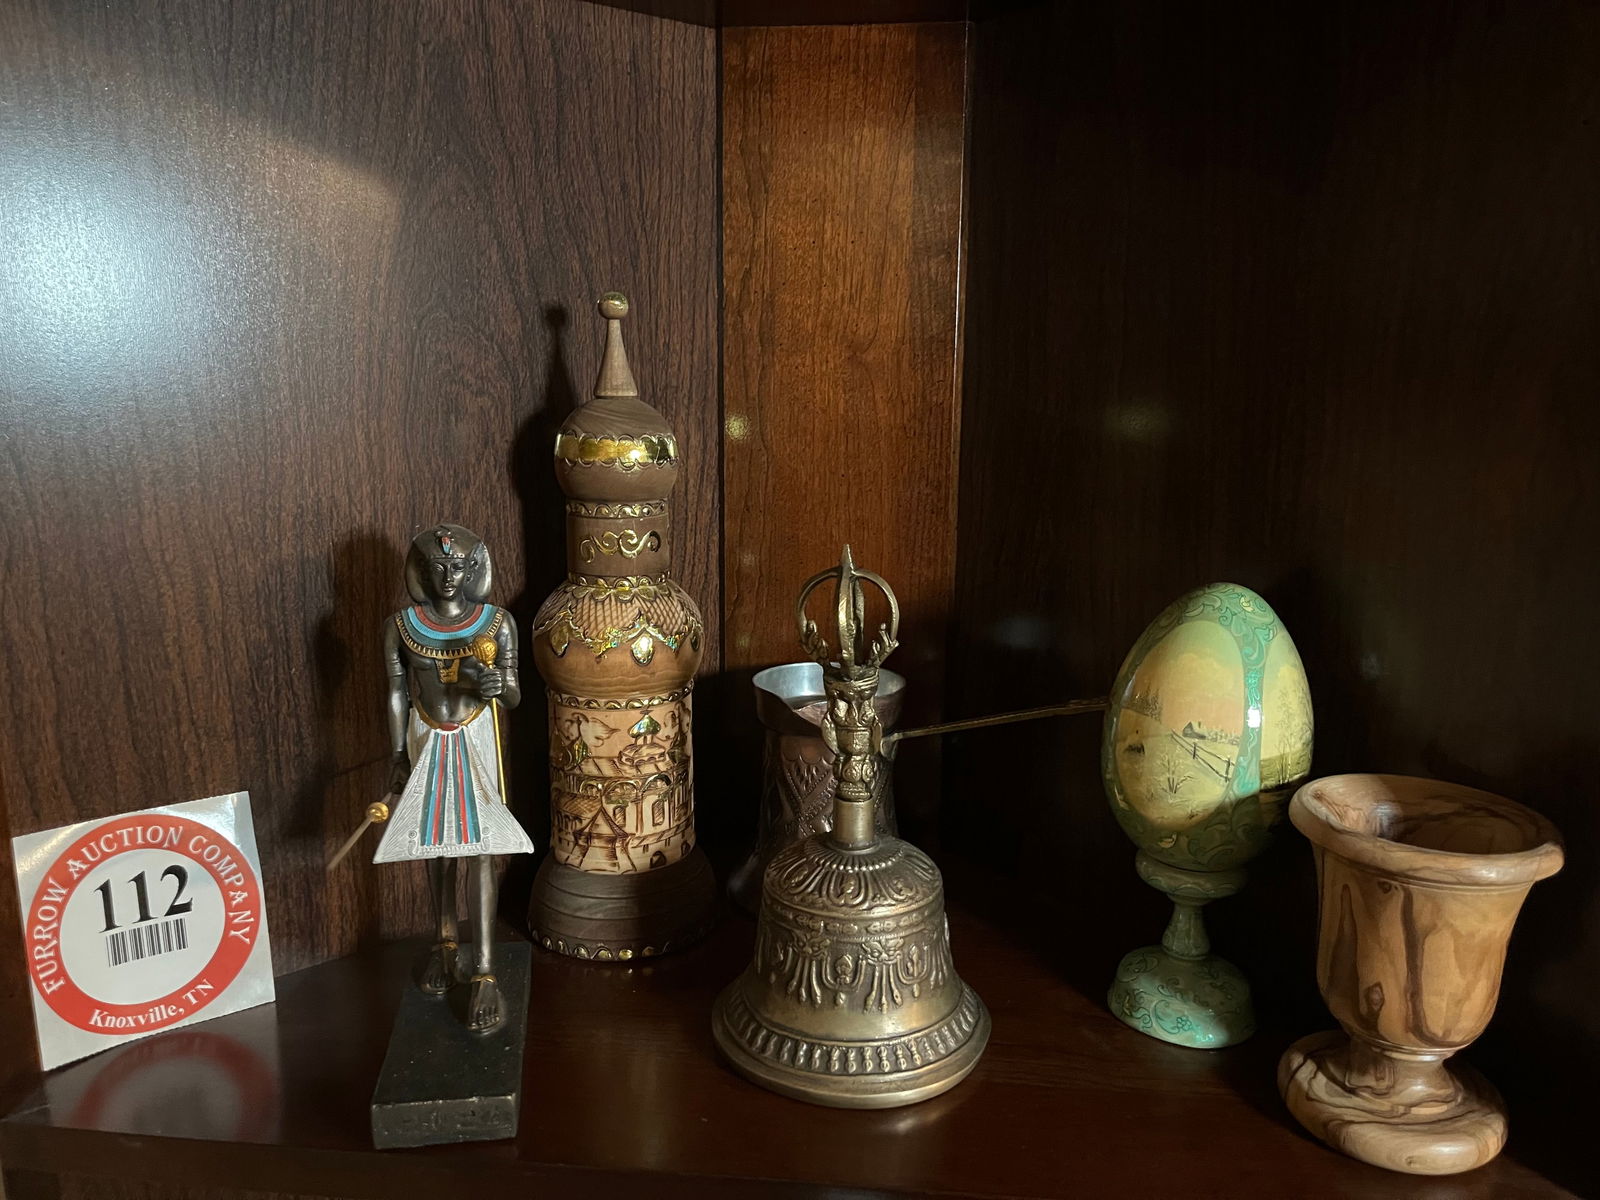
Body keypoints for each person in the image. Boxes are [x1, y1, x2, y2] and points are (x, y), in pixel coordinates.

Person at [372, 524, 533, 1032]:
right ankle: (444, 944)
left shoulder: (497, 623)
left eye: (458, 566)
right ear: (421, 570)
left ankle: (483, 969)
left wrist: (494, 684)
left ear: (474, 569)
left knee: (479, 848)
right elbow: (396, 692)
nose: (448, 576)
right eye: (438, 567)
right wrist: (397, 753)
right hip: (425, 735)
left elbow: (512, 697)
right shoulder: (400, 626)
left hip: (475, 736)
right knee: (434, 844)